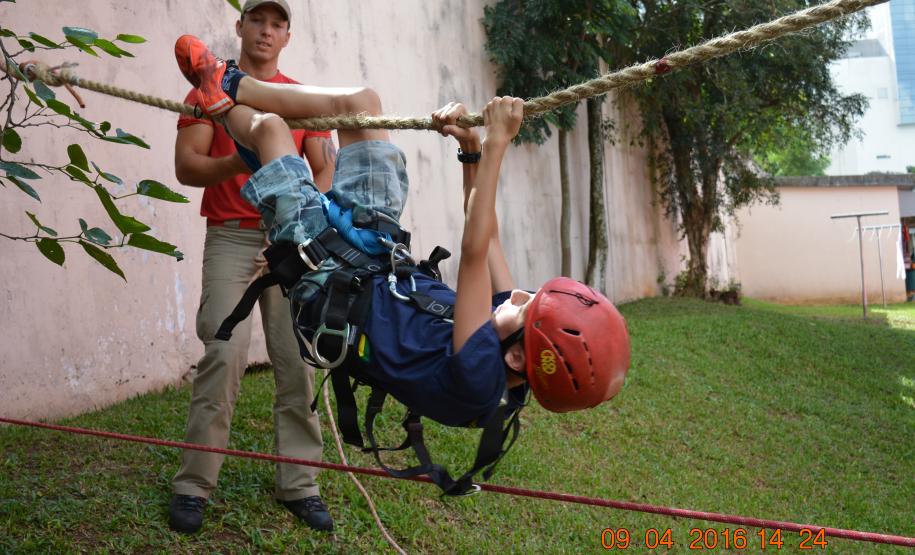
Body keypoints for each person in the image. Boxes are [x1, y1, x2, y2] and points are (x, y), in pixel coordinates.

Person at [174, 33, 631, 478]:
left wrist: (496, 144)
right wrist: (471, 151)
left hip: (328, 285)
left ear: (515, 360)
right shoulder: (510, 339)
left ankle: (222, 104)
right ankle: (227, 82)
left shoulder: (478, 377)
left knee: (271, 130)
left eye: (527, 307)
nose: (520, 295)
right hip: (375, 255)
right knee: (362, 105)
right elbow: (489, 238)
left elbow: (473, 252)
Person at [169, 0, 334, 535]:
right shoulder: (205, 91)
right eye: (257, 20)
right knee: (222, 353)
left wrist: (305, 234)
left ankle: (301, 485)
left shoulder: (298, 99)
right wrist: (240, 160)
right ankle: (194, 486)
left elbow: (325, 172)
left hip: (292, 241)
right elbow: (187, 167)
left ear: (287, 35)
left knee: (300, 361)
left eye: (277, 23)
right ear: (239, 27)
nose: (266, 30)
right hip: (232, 239)